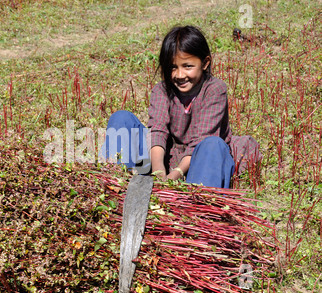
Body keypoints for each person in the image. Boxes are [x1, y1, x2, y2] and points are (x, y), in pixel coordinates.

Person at [101, 25, 261, 188]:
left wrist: (175, 175)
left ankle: (197, 201)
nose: (179, 75)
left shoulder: (214, 90)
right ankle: (117, 186)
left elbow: (202, 139)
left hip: (200, 163)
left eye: (188, 66)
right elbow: (158, 131)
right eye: (172, 67)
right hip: (166, 159)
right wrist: (159, 174)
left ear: (205, 63)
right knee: (121, 119)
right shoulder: (162, 90)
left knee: (213, 144)